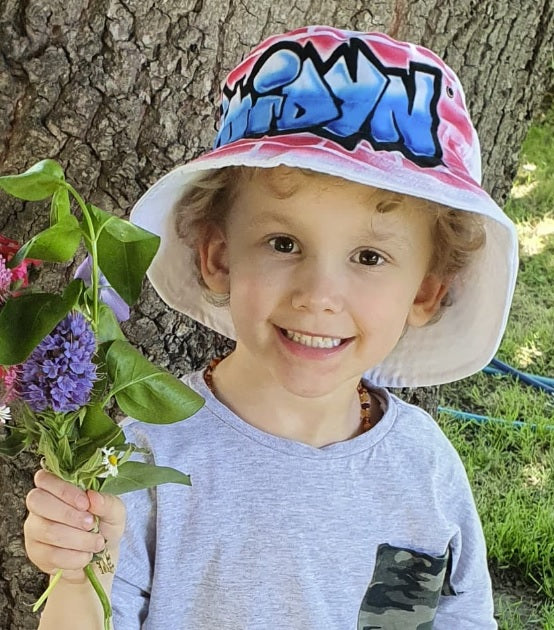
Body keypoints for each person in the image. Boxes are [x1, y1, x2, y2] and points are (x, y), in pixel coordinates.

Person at [23, 25, 518, 629]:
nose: (318, 297)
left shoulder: (424, 470)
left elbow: (439, 617)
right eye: (283, 242)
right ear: (218, 257)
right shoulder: (146, 457)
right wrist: (80, 573)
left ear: (426, 290)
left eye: (369, 257)